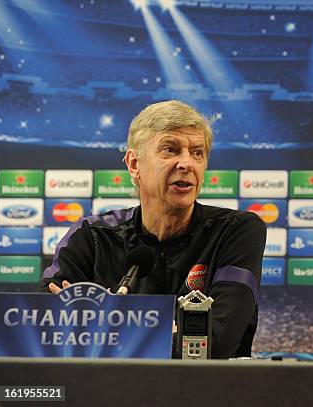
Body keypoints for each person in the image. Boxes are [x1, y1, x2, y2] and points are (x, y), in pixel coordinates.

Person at [39, 100, 267, 359]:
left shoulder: (237, 231)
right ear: (134, 164)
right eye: (170, 150)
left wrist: (107, 326)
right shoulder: (91, 236)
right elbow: (48, 332)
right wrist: (164, 332)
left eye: (197, 153)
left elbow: (216, 344)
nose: (187, 164)